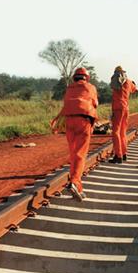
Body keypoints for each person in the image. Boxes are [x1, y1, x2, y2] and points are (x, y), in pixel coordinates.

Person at [51, 67, 98, 201]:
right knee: (80, 154)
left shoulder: (69, 88)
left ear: (74, 78)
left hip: (69, 121)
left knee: (73, 153)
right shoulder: (91, 88)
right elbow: (95, 104)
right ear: (86, 78)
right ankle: (75, 183)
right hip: (83, 121)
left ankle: (78, 186)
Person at [110, 66, 138, 164]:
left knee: (116, 132)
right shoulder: (129, 82)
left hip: (118, 108)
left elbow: (114, 87)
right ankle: (124, 153)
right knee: (122, 132)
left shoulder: (116, 81)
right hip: (126, 109)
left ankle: (118, 155)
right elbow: (135, 89)